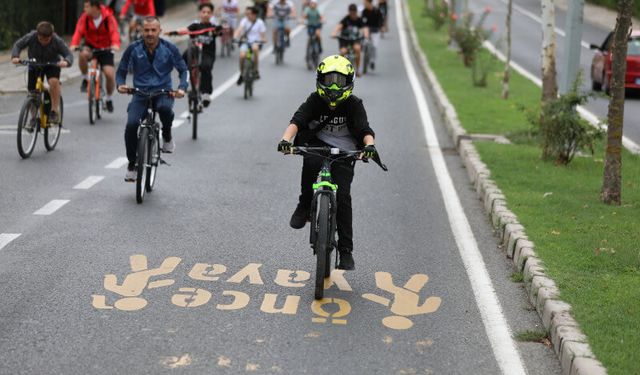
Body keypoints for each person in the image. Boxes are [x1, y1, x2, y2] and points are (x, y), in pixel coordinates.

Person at [277, 55, 378, 270]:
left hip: (346, 152)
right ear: (320, 79)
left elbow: (365, 130)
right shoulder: (315, 100)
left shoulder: (354, 104)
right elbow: (297, 120)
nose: (333, 85)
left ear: (349, 82)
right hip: (317, 145)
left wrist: (369, 146)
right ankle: (304, 205)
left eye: (339, 81)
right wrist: (286, 140)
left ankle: (346, 250)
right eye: (329, 79)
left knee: (343, 196)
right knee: (310, 164)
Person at [116, 16, 187, 182]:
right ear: (141, 31)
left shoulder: (170, 48)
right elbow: (121, 71)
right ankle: (132, 164)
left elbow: (184, 70)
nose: (149, 33)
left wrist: (182, 88)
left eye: (153, 30)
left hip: (163, 91)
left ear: (159, 31)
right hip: (140, 93)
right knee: (132, 125)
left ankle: (167, 135)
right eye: (146, 30)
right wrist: (120, 84)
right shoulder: (133, 48)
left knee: (164, 109)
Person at [11, 22, 73, 124]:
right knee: (32, 92)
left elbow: (68, 54)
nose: (43, 42)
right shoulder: (31, 36)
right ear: (37, 35)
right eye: (40, 39)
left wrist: (66, 61)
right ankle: (34, 117)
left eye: (47, 40)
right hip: (35, 64)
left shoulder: (57, 40)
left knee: (53, 82)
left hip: (52, 65)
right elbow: (18, 45)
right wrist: (15, 56)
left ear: (51, 36)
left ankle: (54, 112)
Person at [165, 3, 221, 108]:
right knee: (184, 57)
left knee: (206, 68)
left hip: (208, 54)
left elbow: (219, 32)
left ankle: (205, 94)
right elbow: (185, 30)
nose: (205, 14)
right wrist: (174, 32)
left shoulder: (213, 27)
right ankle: (184, 80)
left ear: (211, 14)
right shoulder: (195, 26)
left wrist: (220, 30)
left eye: (208, 12)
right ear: (200, 13)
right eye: (203, 12)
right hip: (194, 52)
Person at [70, 0, 121, 112]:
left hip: (106, 47)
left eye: (87, 7)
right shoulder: (85, 17)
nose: (84, 9)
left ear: (95, 8)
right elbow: (78, 32)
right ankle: (85, 79)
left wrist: (115, 44)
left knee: (109, 74)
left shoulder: (108, 17)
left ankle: (108, 98)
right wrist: (74, 44)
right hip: (91, 46)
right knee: (82, 55)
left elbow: (114, 32)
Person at [331, 3, 368, 76]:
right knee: (343, 51)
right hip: (345, 40)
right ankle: (340, 69)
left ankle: (358, 69)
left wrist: (366, 34)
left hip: (355, 39)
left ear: (356, 12)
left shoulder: (359, 20)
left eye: (354, 13)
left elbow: (364, 28)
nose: (353, 15)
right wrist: (334, 33)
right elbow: (339, 26)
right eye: (351, 13)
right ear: (349, 12)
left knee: (357, 49)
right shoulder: (346, 19)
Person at [234, 7, 267, 85]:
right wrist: (235, 37)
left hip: (256, 42)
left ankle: (255, 70)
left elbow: (263, 36)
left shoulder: (260, 23)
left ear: (254, 14)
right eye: (246, 14)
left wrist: (263, 40)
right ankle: (241, 74)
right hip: (245, 42)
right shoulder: (244, 21)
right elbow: (239, 30)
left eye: (249, 14)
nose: (247, 15)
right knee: (242, 56)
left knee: (255, 49)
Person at [361, 0, 382, 71]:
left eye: (365, 3)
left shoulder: (377, 11)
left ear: (369, 3)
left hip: (375, 31)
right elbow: (362, 22)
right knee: (363, 42)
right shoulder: (364, 11)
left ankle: (373, 61)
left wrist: (381, 27)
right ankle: (364, 54)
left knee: (374, 46)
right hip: (367, 30)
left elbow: (380, 21)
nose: (364, 4)